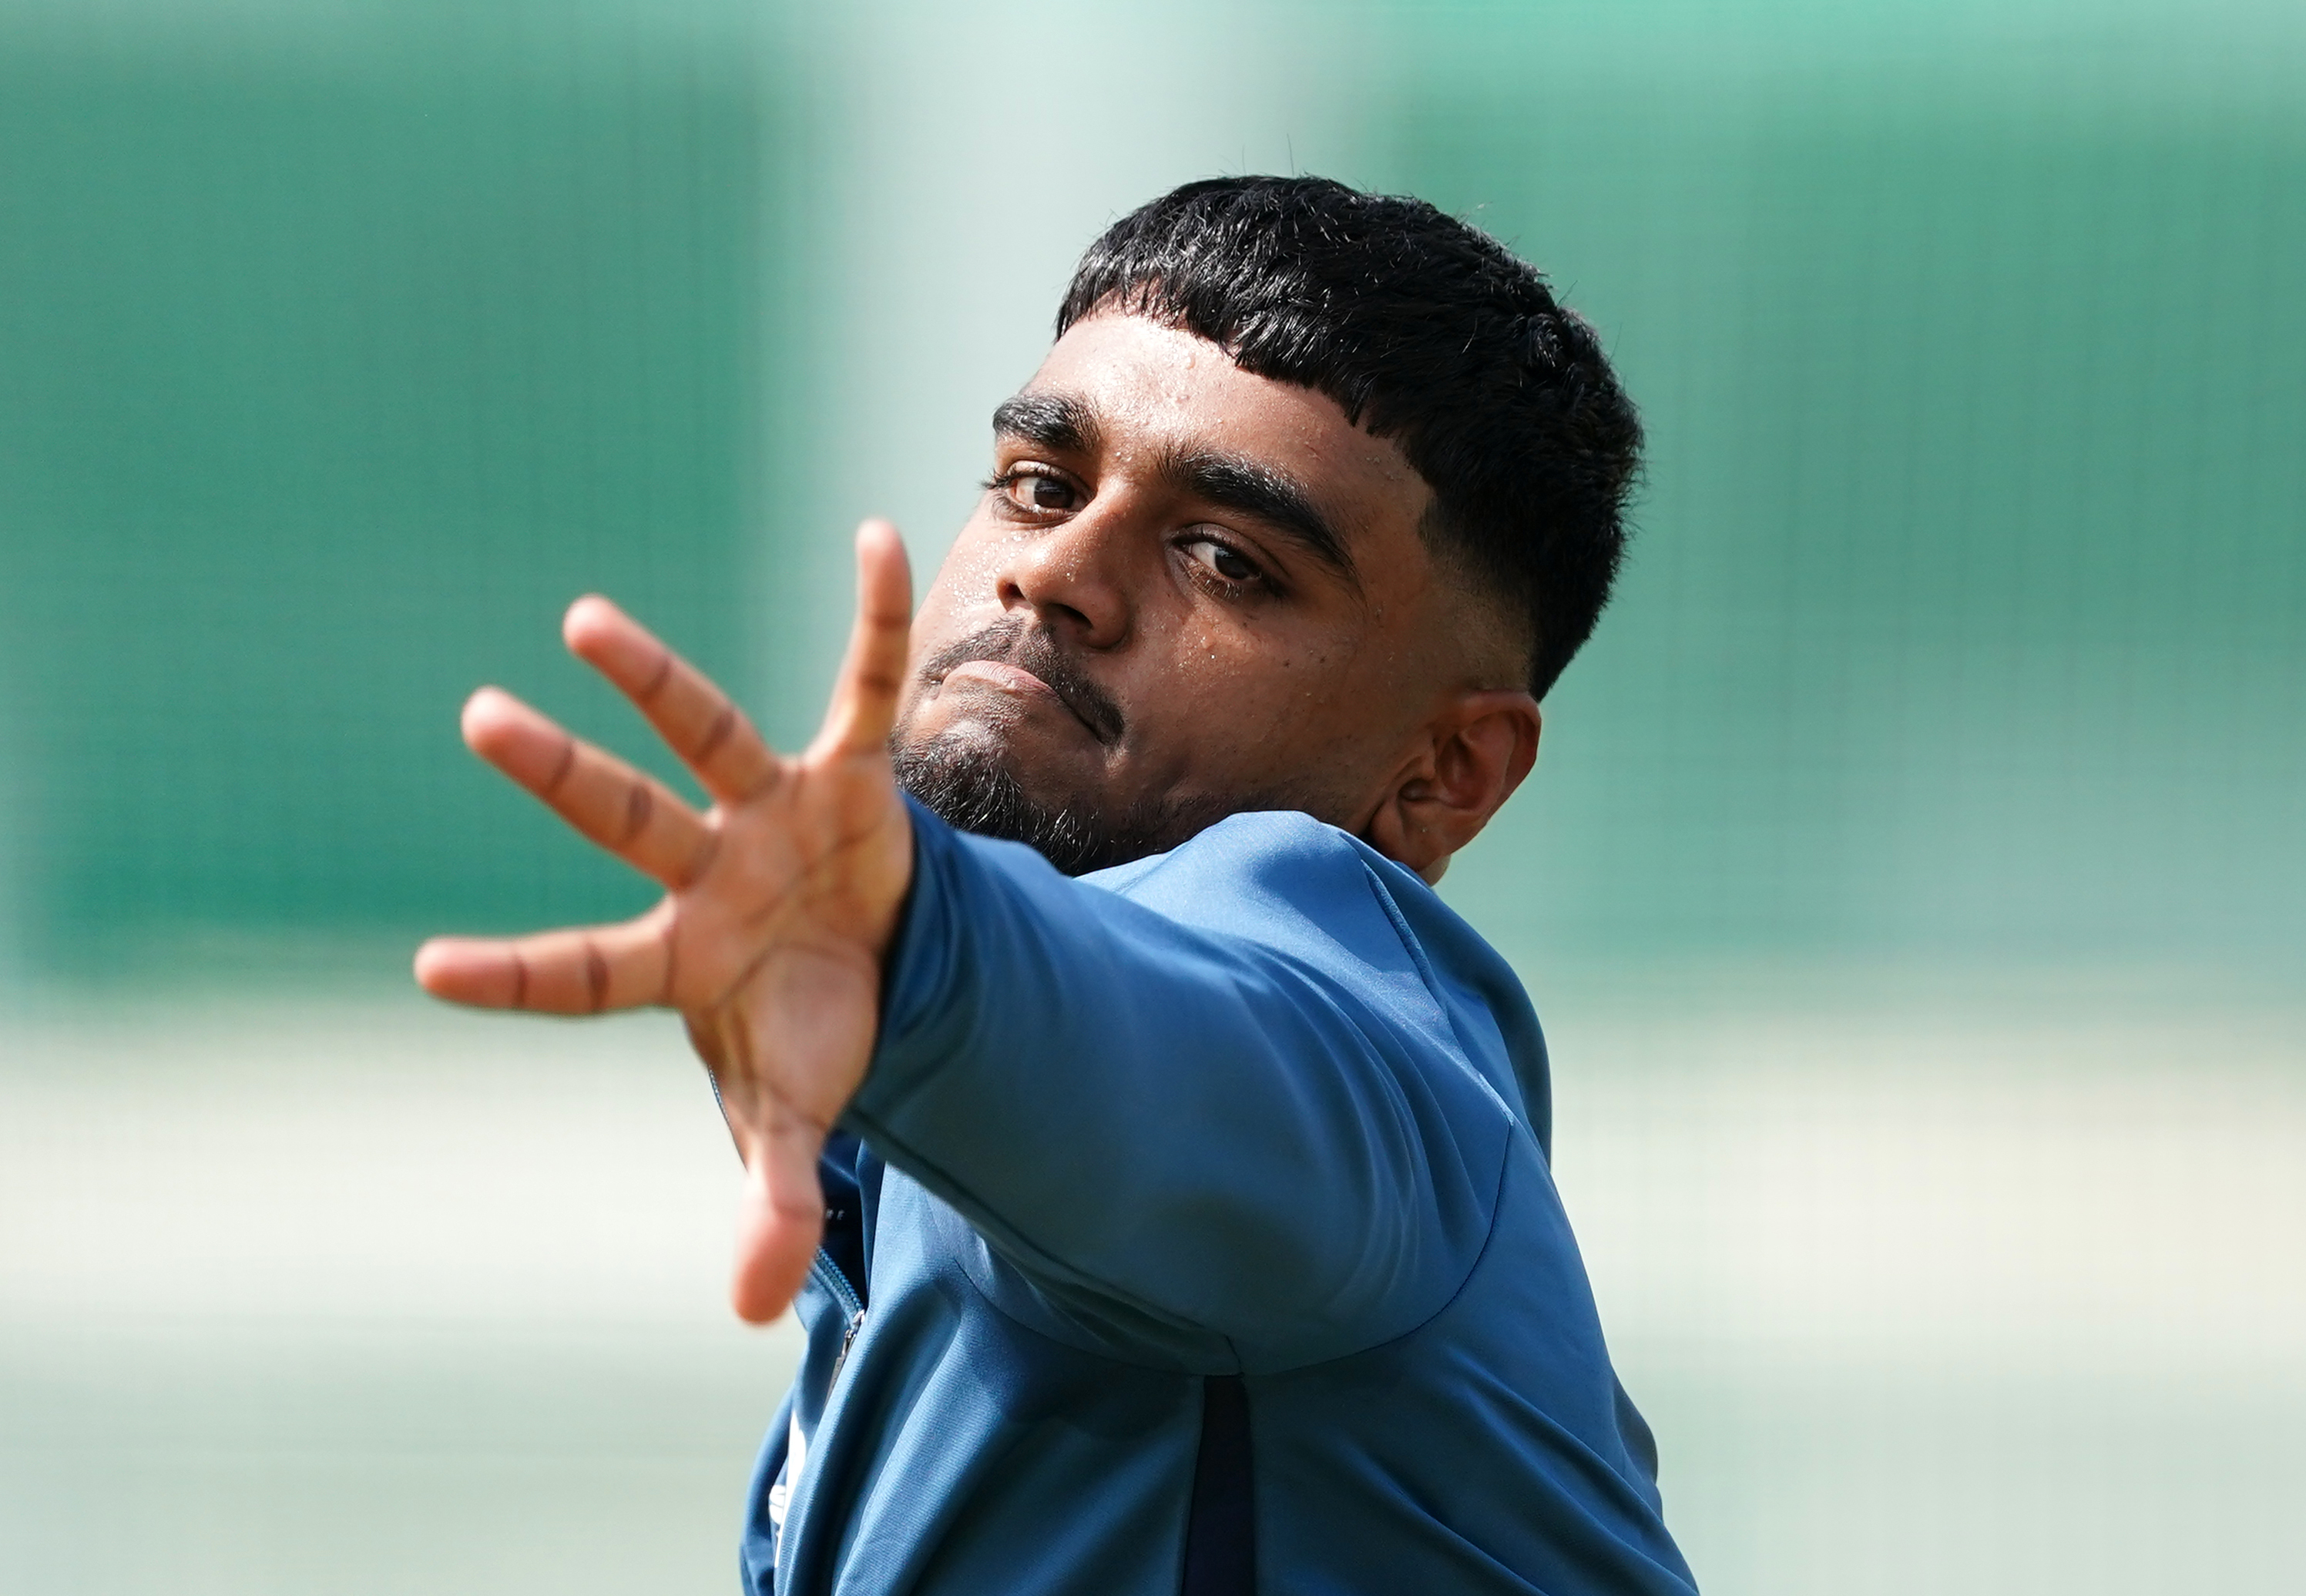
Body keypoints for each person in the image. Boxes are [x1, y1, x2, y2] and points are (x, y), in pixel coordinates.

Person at [416, 176, 1697, 1595]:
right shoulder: (934, 1163)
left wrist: (903, 943)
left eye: (1227, 559)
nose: (1060, 573)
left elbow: (1190, 1057)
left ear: (1447, 770)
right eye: (1042, 485)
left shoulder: (1359, 1052)